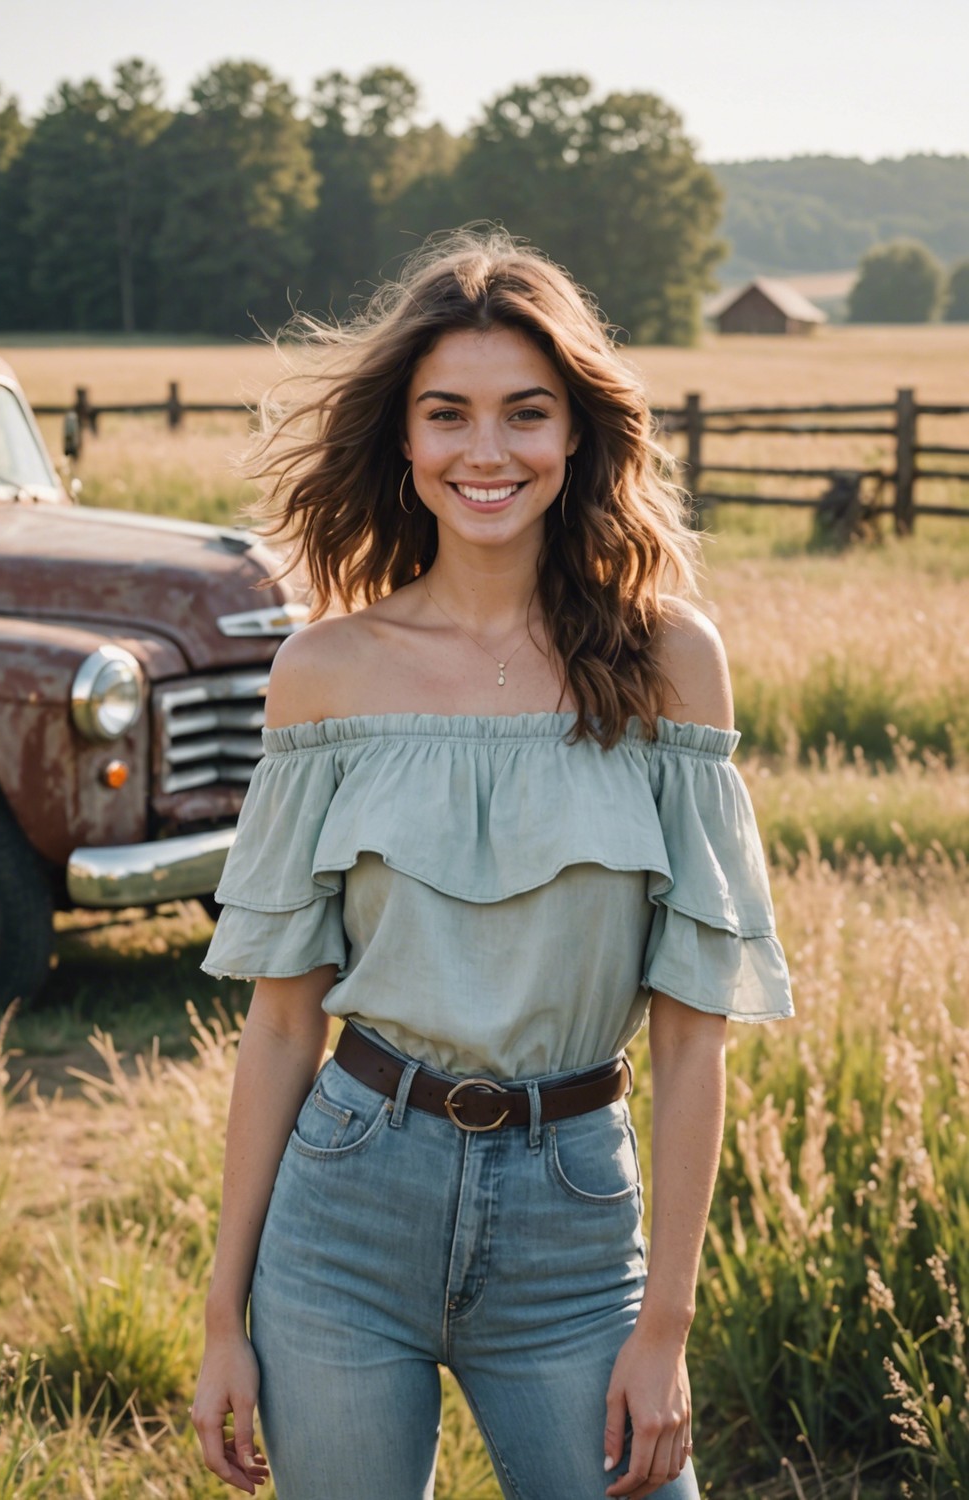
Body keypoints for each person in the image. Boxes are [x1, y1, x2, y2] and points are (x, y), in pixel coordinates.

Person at [190, 228, 794, 1500]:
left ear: (576, 434)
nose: (486, 452)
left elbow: (693, 1040)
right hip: (347, 1203)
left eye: (526, 413)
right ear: (403, 440)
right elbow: (283, 1020)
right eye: (447, 414)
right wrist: (220, 1317)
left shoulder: (669, 662)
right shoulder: (326, 674)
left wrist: (665, 1330)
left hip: (573, 1216)